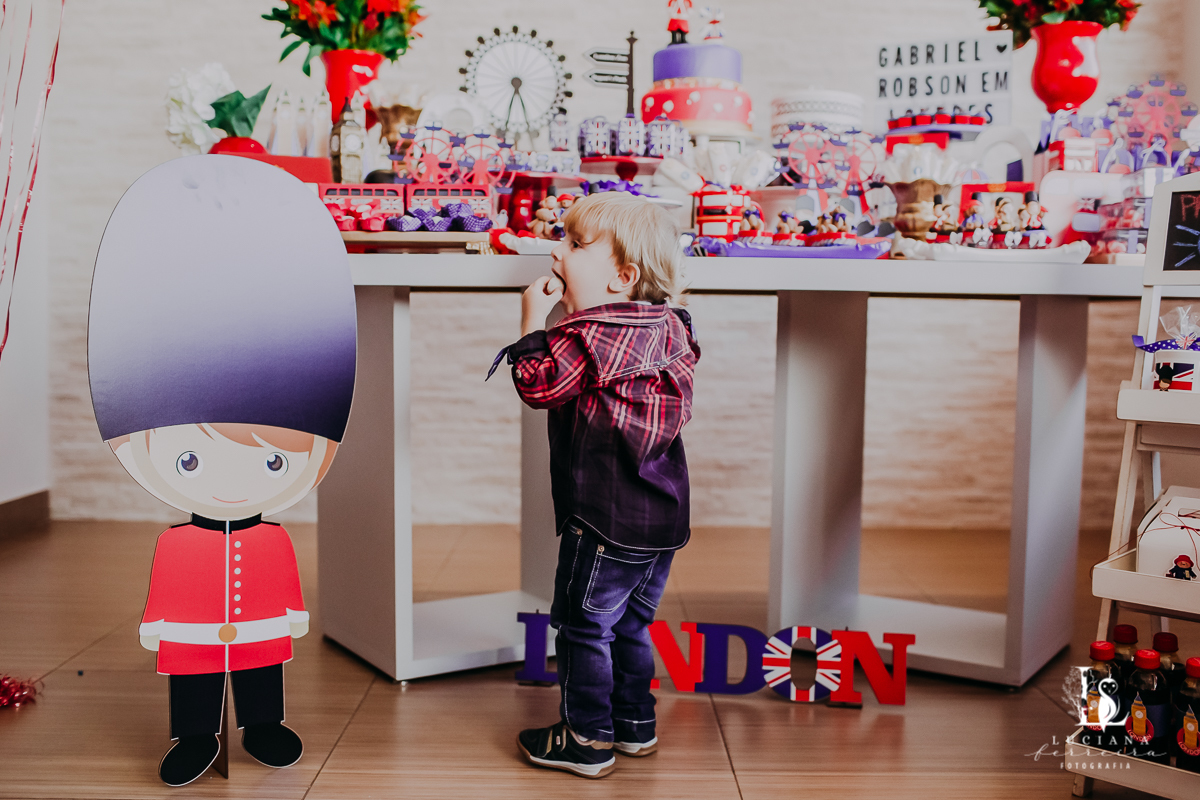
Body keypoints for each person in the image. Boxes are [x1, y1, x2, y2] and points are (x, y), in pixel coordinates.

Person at [488, 191, 700, 779]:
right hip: (661, 518)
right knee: (630, 623)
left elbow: (538, 385)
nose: (557, 251)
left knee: (584, 627)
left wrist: (533, 323)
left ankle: (586, 738)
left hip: (603, 518)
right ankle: (635, 726)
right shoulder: (671, 325)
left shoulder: (587, 340)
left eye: (575, 245)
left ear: (622, 277)